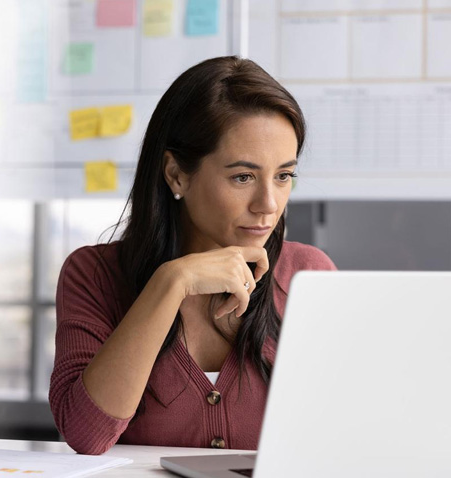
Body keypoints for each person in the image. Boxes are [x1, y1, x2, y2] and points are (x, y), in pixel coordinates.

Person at [49, 56, 337, 455]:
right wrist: (172, 283)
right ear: (177, 174)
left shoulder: (308, 274)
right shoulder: (93, 274)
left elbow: (343, 433)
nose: (269, 204)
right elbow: (86, 434)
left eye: (284, 176)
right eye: (243, 177)